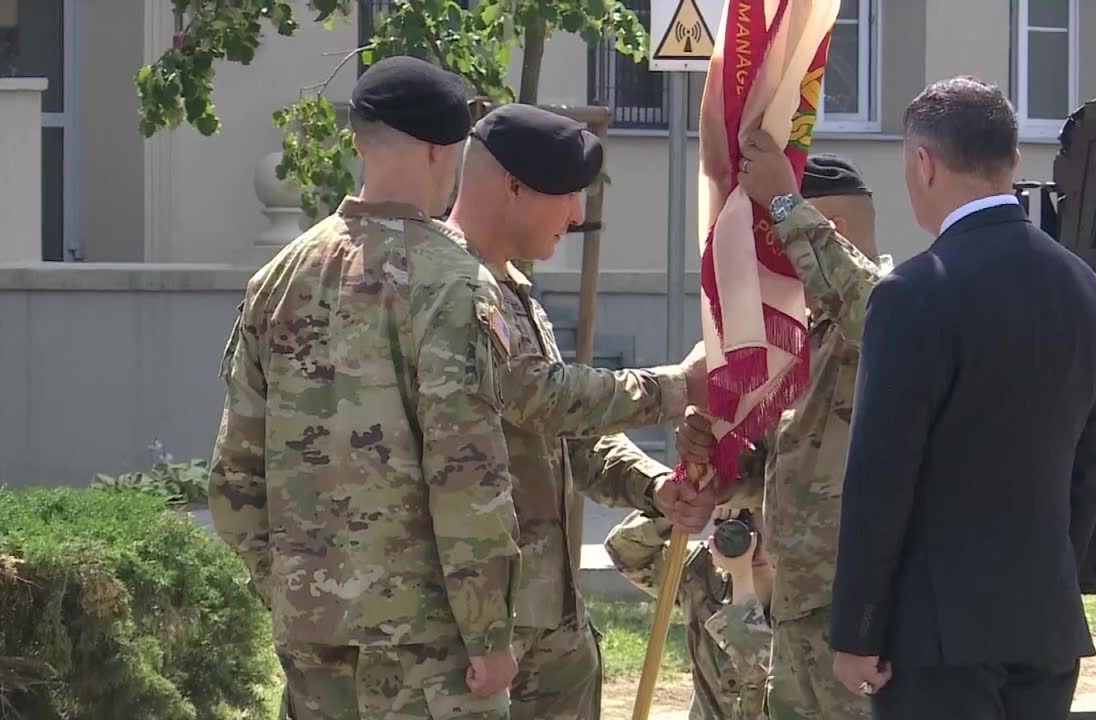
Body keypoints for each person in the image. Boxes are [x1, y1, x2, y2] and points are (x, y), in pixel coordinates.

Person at [210, 55, 522, 720]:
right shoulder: (453, 284)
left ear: (358, 141)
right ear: (444, 153)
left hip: (312, 640)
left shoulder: (278, 278)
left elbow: (233, 475)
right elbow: (467, 478)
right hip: (429, 651)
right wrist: (489, 633)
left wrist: (294, 589)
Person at [826, 76, 1096, 720]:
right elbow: (1088, 471)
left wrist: (855, 630)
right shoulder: (1087, 290)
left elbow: (881, 476)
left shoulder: (913, 293)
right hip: (1045, 626)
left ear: (923, 163)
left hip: (938, 639)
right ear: (1014, 160)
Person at [446, 102, 720, 720]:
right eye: (567, 195)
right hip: (483, 634)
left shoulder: (509, 288)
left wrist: (656, 488)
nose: (576, 217)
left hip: (550, 628)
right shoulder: (451, 290)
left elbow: (564, 435)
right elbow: (540, 395)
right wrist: (675, 388)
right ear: (513, 187)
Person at [677, 151, 890, 720]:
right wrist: (722, 463)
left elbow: (874, 315)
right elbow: (783, 460)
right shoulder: (806, 329)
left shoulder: (897, 309)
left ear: (826, 235)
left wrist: (783, 203)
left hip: (863, 621)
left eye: (777, 239)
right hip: (798, 610)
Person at [604, 504, 775, 720]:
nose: (749, 537)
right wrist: (684, 507)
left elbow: (760, 682)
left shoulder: (809, 599)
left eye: (760, 517)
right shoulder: (701, 578)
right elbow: (624, 549)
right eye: (739, 525)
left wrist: (742, 578)